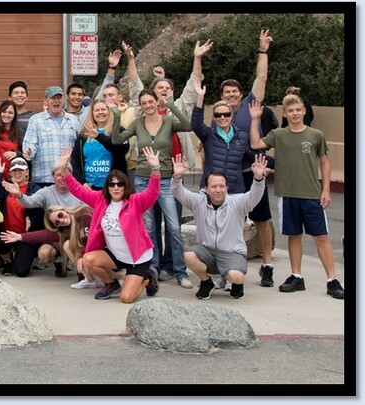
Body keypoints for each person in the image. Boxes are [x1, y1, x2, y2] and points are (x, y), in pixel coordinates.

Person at [248, 98, 343, 299]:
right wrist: (255, 119)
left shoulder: (315, 135)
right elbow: (255, 143)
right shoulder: (279, 135)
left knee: (321, 236)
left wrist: (325, 190)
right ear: (284, 113)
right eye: (290, 110)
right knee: (294, 235)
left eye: (298, 109)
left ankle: (332, 280)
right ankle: (296, 276)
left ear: (304, 111)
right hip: (287, 193)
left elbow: (325, 163)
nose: (295, 113)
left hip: (311, 194)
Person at [208, 31, 279, 283]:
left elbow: (261, 77)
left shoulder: (252, 105)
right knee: (231, 226)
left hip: (252, 175)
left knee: (261, 221)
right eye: (227, 92)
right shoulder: (218, 116)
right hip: (230, 181)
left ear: (241, 93)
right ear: (222, 96)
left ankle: (267, 265)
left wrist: (263, 50)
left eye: (234, 91)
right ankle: (228, 267)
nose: (231, 95)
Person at [109, 90, 193, 288]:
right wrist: (116, 114)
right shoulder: (138, 124)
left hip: (165, 180)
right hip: (143, 180)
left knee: (173, 227)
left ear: (156, 102)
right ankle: (153, 266)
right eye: (143, 103)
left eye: (150, 101)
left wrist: (171, 104)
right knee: (149, 227)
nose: (147, 105)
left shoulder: (168, 121)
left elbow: (188, 126)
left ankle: (180, 272)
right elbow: (116, 139)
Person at [67, 146, 164, 303]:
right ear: (108, 187)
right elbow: (77, 189)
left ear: (125, 186)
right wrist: (64, 170)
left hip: (137, 258)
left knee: (126, 298)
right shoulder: (100, 199)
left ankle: (147, 278)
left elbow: (152, 193)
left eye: (120, 184)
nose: (116, 187)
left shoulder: (135, 202)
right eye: (112, 184)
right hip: (115, 255)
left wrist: (155, 169)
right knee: (88, 259)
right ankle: (111, 283)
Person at [173, 154, 268, 300]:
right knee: (189, 255)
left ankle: (235, 284)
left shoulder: (238, 203)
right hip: (207, 251)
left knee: (236, 277)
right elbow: (179, 193)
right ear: (206, 189)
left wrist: (258, 179)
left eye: (222, 186)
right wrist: (177, 177)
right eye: (214, 186)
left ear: (227, 188)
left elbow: (254, 196)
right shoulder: (198, 202)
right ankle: (207, 282)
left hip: (232, 252)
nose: (218, 190)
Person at [0, 157, 51, 277]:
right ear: (10, 172)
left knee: (21, 271)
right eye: (14, 170)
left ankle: (26, 255)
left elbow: (42, 212)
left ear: (27, 172)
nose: (17, 173)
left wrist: (32, 221)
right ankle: (7, 260)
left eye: (21, 170)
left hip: (25, 235)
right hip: (7, 231)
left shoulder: (34, 189)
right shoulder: (7, 186)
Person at [22, 86, 81, 189]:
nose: (56, 101)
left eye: (59, 98)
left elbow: (79, 147)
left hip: (68, 178)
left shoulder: (73, 120)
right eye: (53, 98)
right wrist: (29, 151)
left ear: (63, 100)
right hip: (43, 179)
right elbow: (30, 143)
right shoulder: (36, 120)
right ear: (46, 101)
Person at [72, 97, 128, 190]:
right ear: (92, 113)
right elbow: (75, 161)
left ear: (109, 111)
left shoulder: (119, 130)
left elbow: (122, 150)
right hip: (89, 187)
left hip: (113, 187)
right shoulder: (84, 134)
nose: (100, 112)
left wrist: (99, 137)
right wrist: (82, 182)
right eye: (97, 110)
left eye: (103, 109)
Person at [0, 100, 25, 180]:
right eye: (4, 112)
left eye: (10, 112)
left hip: (11, 177)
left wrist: (16, 153)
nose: (7, 115)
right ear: (0, 113)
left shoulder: (20, 132)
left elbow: (27, 155)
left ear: (14, 115)